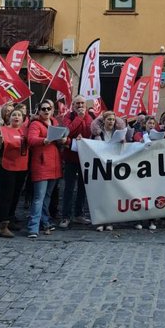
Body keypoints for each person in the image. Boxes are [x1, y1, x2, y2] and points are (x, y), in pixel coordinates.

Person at [26, 100, 65, 239]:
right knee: (38, 198)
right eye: (43, 109)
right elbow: (30, 140)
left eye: (49, 108)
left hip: (54, 165)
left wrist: (63, 140)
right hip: (41, 164)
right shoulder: (35, 124)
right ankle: (33, 227)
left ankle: (45, 221)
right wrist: (44, 140)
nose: (46, 111)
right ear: (39, 110)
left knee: (47, 196)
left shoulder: (55, 123)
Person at [0, 109, 29, 238]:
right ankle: (2, 225)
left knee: (16, 195)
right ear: (9, 118)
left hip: (21, 167)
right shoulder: (2, 130)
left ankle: (10, 219)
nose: (16, 117)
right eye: (14, 115)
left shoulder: (26, 131)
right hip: (5, 166)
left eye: (19, 115)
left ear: (23, 119)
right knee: (6, 195)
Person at [59, 96, 93, 229]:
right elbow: (67, 131)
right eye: (77, 103)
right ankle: (65, 216)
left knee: (83, 188)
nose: (80, 105)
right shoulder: (68, 117)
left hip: (84, 158)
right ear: (73, 105)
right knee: (68, 188)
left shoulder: (90, 116)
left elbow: (90, 131)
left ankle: (79, 214)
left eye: (82, 103)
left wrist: (82, 136)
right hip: (70, 158)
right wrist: (79, 118)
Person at [92, 111, 119, 231]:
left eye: (113, 120)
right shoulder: (97, 134)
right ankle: (100, 221)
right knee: (100, 194)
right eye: (109, 119)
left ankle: (110, 221)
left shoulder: (118, 133)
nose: (111, 122)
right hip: (101, 167)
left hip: (113, 167)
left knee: (111, 195)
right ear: (104, 121)